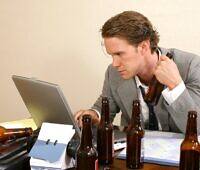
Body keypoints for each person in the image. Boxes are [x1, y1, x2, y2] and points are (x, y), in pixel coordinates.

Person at [74, 11, 200, 133]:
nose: (115, 64)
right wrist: (93, 115)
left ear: (144, 47)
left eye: (119, 54)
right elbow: (104, 108)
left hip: (178, 153)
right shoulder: (113, 73)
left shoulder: (191, 66)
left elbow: (197, 129)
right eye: (111, 55)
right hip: (132, 150)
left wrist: (176, 86)